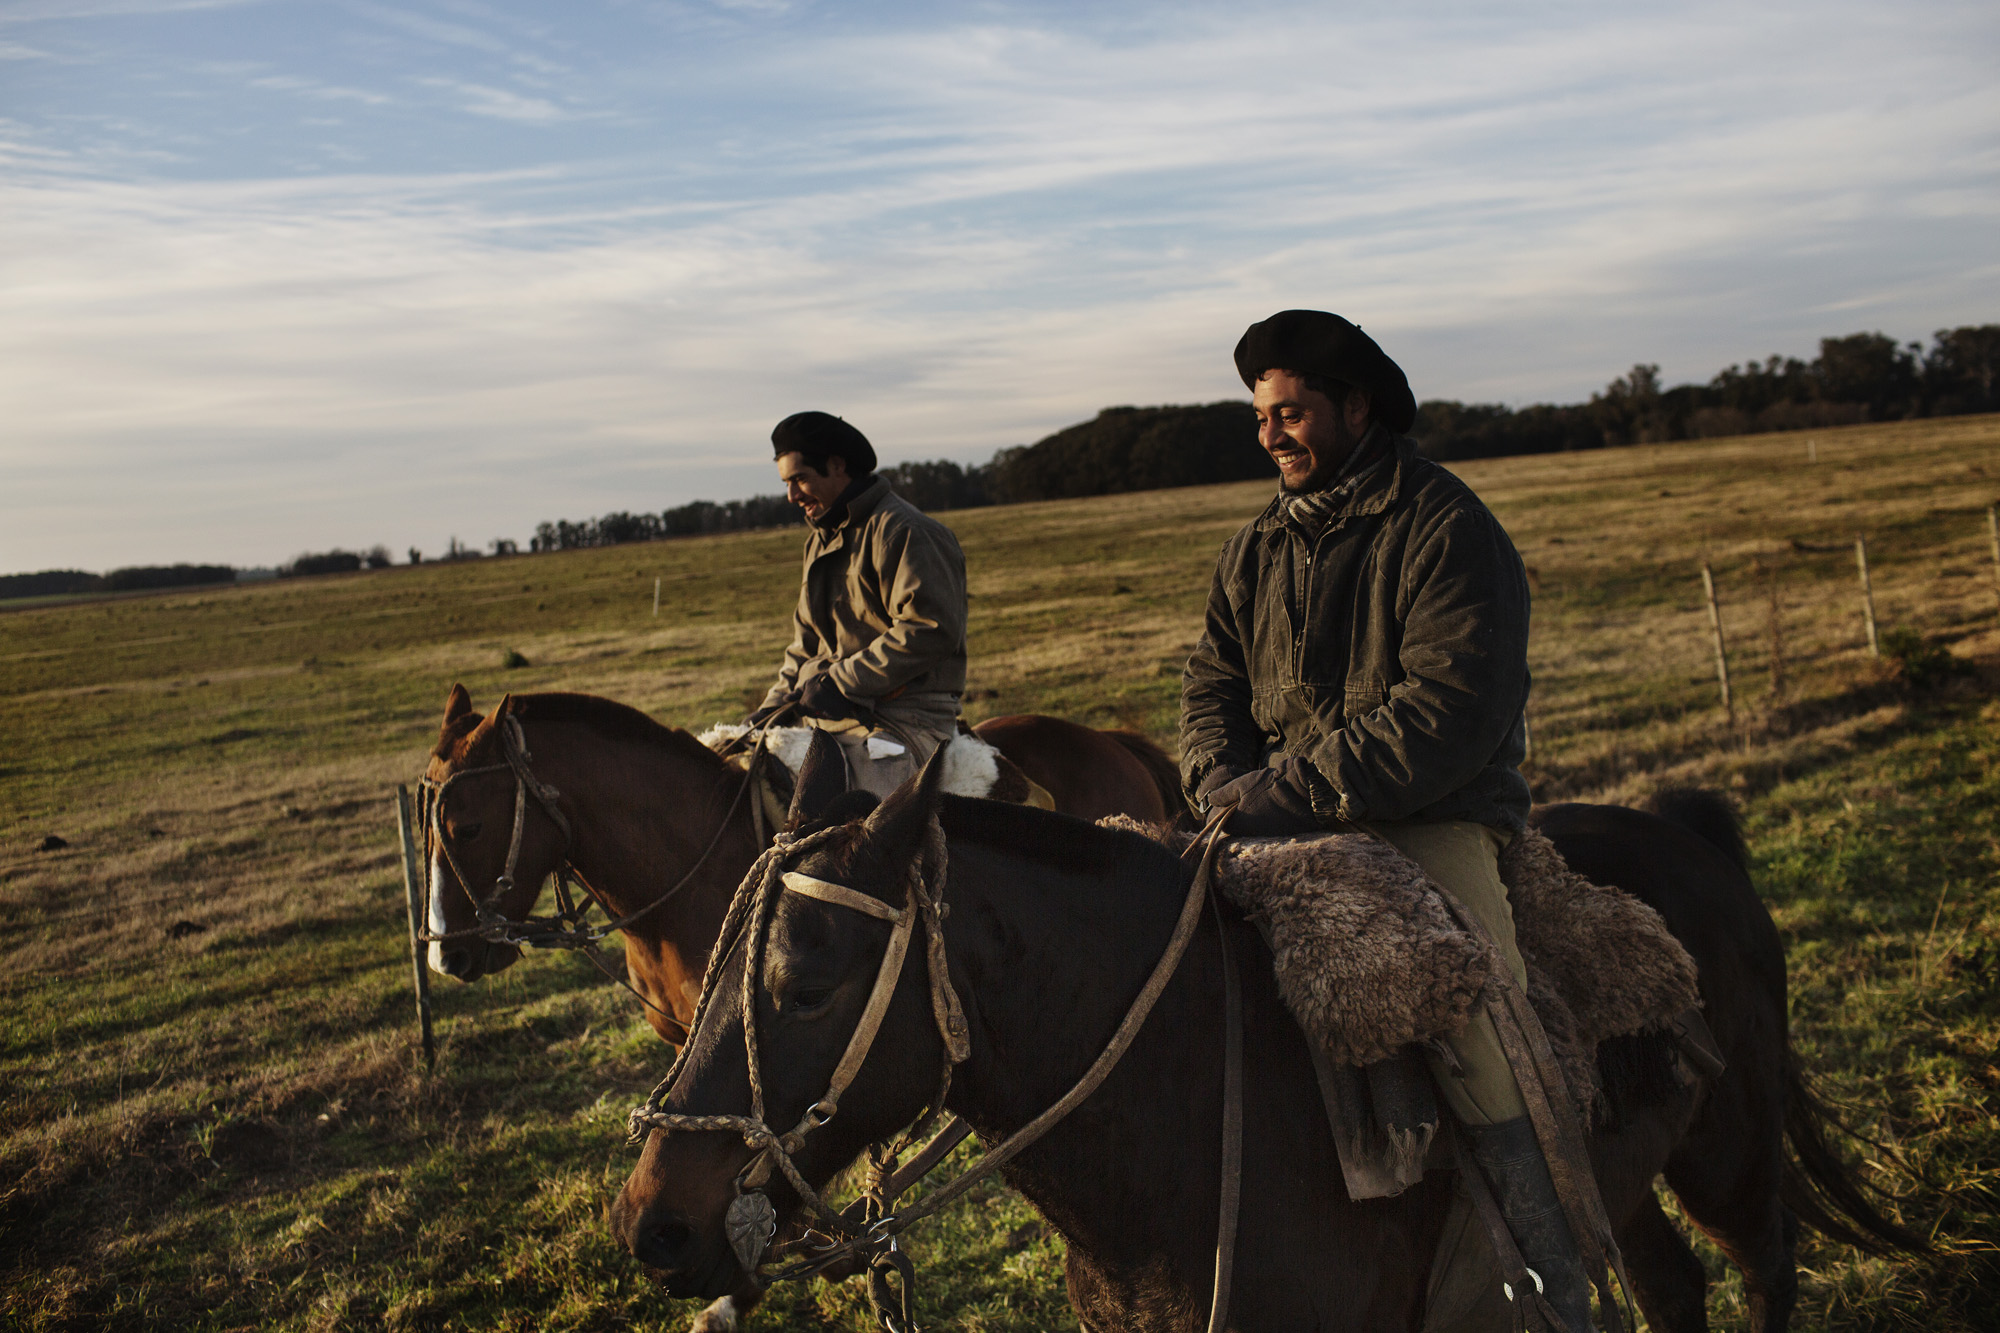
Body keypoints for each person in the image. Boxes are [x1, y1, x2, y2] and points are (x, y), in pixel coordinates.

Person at [1179, 310, 1596, 1331]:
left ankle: (1550, 1288)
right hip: (1272, 817)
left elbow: (1447, 712)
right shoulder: (1255, 546)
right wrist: (1218, 780)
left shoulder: (1447, 527)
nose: (1272, 433)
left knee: (1475, 1023)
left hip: (1429, 816)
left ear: (1355, 407)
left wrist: (1277, 794)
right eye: (1261, 416)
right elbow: (1209, 681)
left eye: (1292, 412)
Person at [745, 411, 969, 799]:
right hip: (834, 713)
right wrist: (771, 707)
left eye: (799, 479)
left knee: (863, 830)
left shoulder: (905, 531)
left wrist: (841, 681)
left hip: (907, 716)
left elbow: (930, 628)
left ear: (837, 466)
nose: (791, 496)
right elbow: (806, 644)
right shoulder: (818, 542)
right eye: (787, 483)